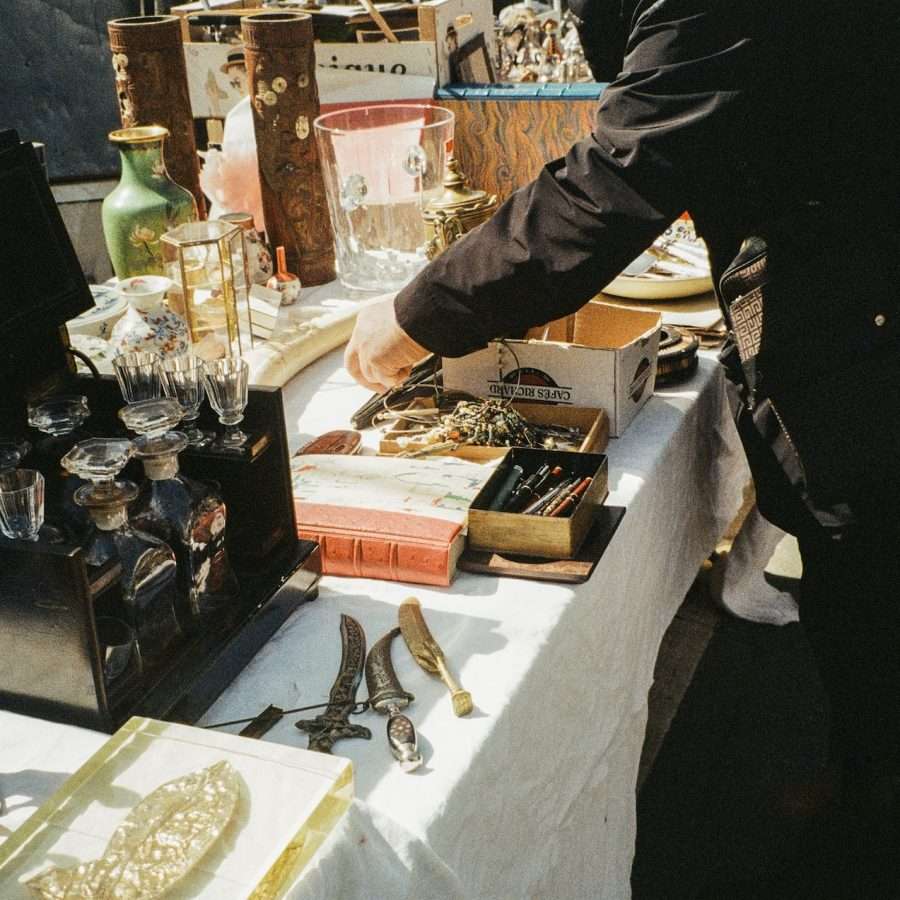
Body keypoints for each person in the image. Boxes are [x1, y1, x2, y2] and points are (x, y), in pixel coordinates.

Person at [345, 0, 899, 880]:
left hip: (867, 316)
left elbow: (612, 182)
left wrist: (418, 314)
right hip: (845, 281)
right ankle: (861, 776)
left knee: (871, 571)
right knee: (852, 578)